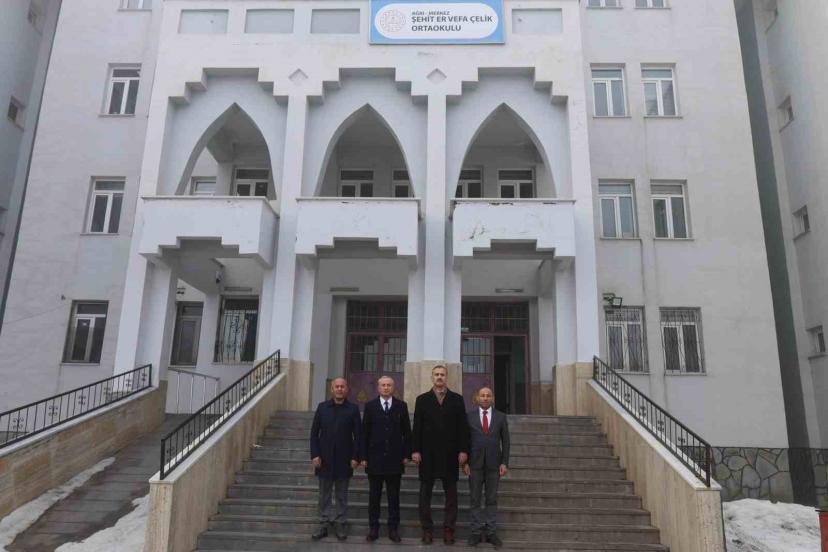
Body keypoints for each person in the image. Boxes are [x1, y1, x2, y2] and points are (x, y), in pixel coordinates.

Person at [411, 364, 470, 545]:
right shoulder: (422, 399)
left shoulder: (457, 399)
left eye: (442, 374)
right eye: (436, 374)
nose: (439, 377)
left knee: (451, 496)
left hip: (450, 454)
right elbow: (417, 427)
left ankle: (449, 530)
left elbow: (463, 427)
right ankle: (427, 530)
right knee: (424, 495)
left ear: (446, 377)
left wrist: (463, 450)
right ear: (432, 377)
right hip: (427, 454)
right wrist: (415, 450)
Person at [360, 376, 411, 543]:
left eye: (389, 385)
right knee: (374, 497)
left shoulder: (401, 406)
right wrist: (363, 456)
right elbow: (364, 433)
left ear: (393, 387)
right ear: (378, 387)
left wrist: (406, 454)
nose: (386, 387)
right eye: (383, 385)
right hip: (374, 459)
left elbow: (407, 433)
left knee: (393, 497)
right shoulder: (370, 406)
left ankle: (393, 529)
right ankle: (373, 528)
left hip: (394, 460)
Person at [309, 377, 361, 541]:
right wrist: (315, 455)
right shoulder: (322, 407)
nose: (339, 389)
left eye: (342, 386)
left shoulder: (353, 409)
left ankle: (340, 523)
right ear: (331, 389)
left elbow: (358, 436)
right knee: (324, 495)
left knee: (341, 495)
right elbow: (314, 434)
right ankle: (323, 523)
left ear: (347, 389)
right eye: (336, 387)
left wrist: (356, 457)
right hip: (324, 459)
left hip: (344, 460)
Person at [463, 387, 510, 548]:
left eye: (488, 395)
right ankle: (475, 532)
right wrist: (465, 463)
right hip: (474, 465)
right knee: (475, 499)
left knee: (491, 499)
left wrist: (504, 462)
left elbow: (506, 442)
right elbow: (465, 440)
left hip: (494, 465)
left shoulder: (501, 417)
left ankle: (491, 532)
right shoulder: (469, 417)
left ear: (492, 398)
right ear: (477, 398)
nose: (485, 398)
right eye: (482, 395)